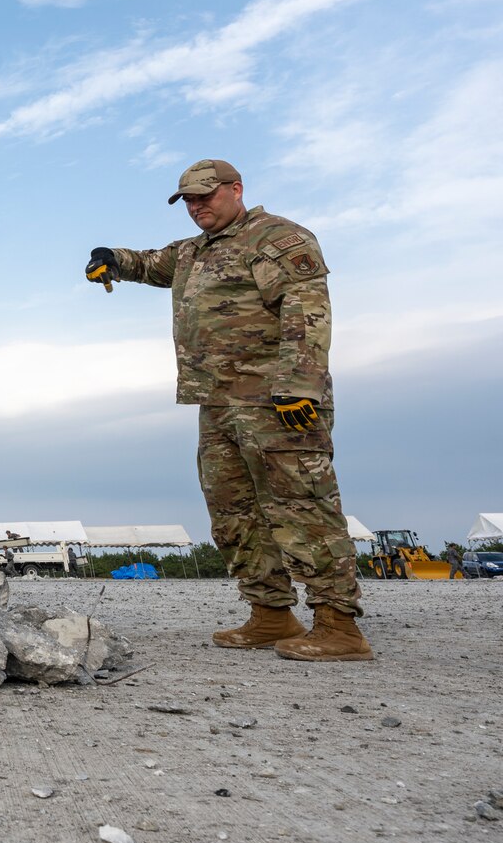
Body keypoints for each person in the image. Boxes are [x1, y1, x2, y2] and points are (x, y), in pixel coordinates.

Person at [87, 159, 370, 661]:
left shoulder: (277, 238)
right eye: (189, 201)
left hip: (278, 401)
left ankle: (338, 625)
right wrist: (112, 258)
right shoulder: (194, 251)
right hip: (216, 402)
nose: (197, 208)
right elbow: (152, 263)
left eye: (206, 197)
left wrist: (299, 384)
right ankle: (271, 614)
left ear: (236, 189)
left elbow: (306, 308)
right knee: (234, 513)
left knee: (302, 507)